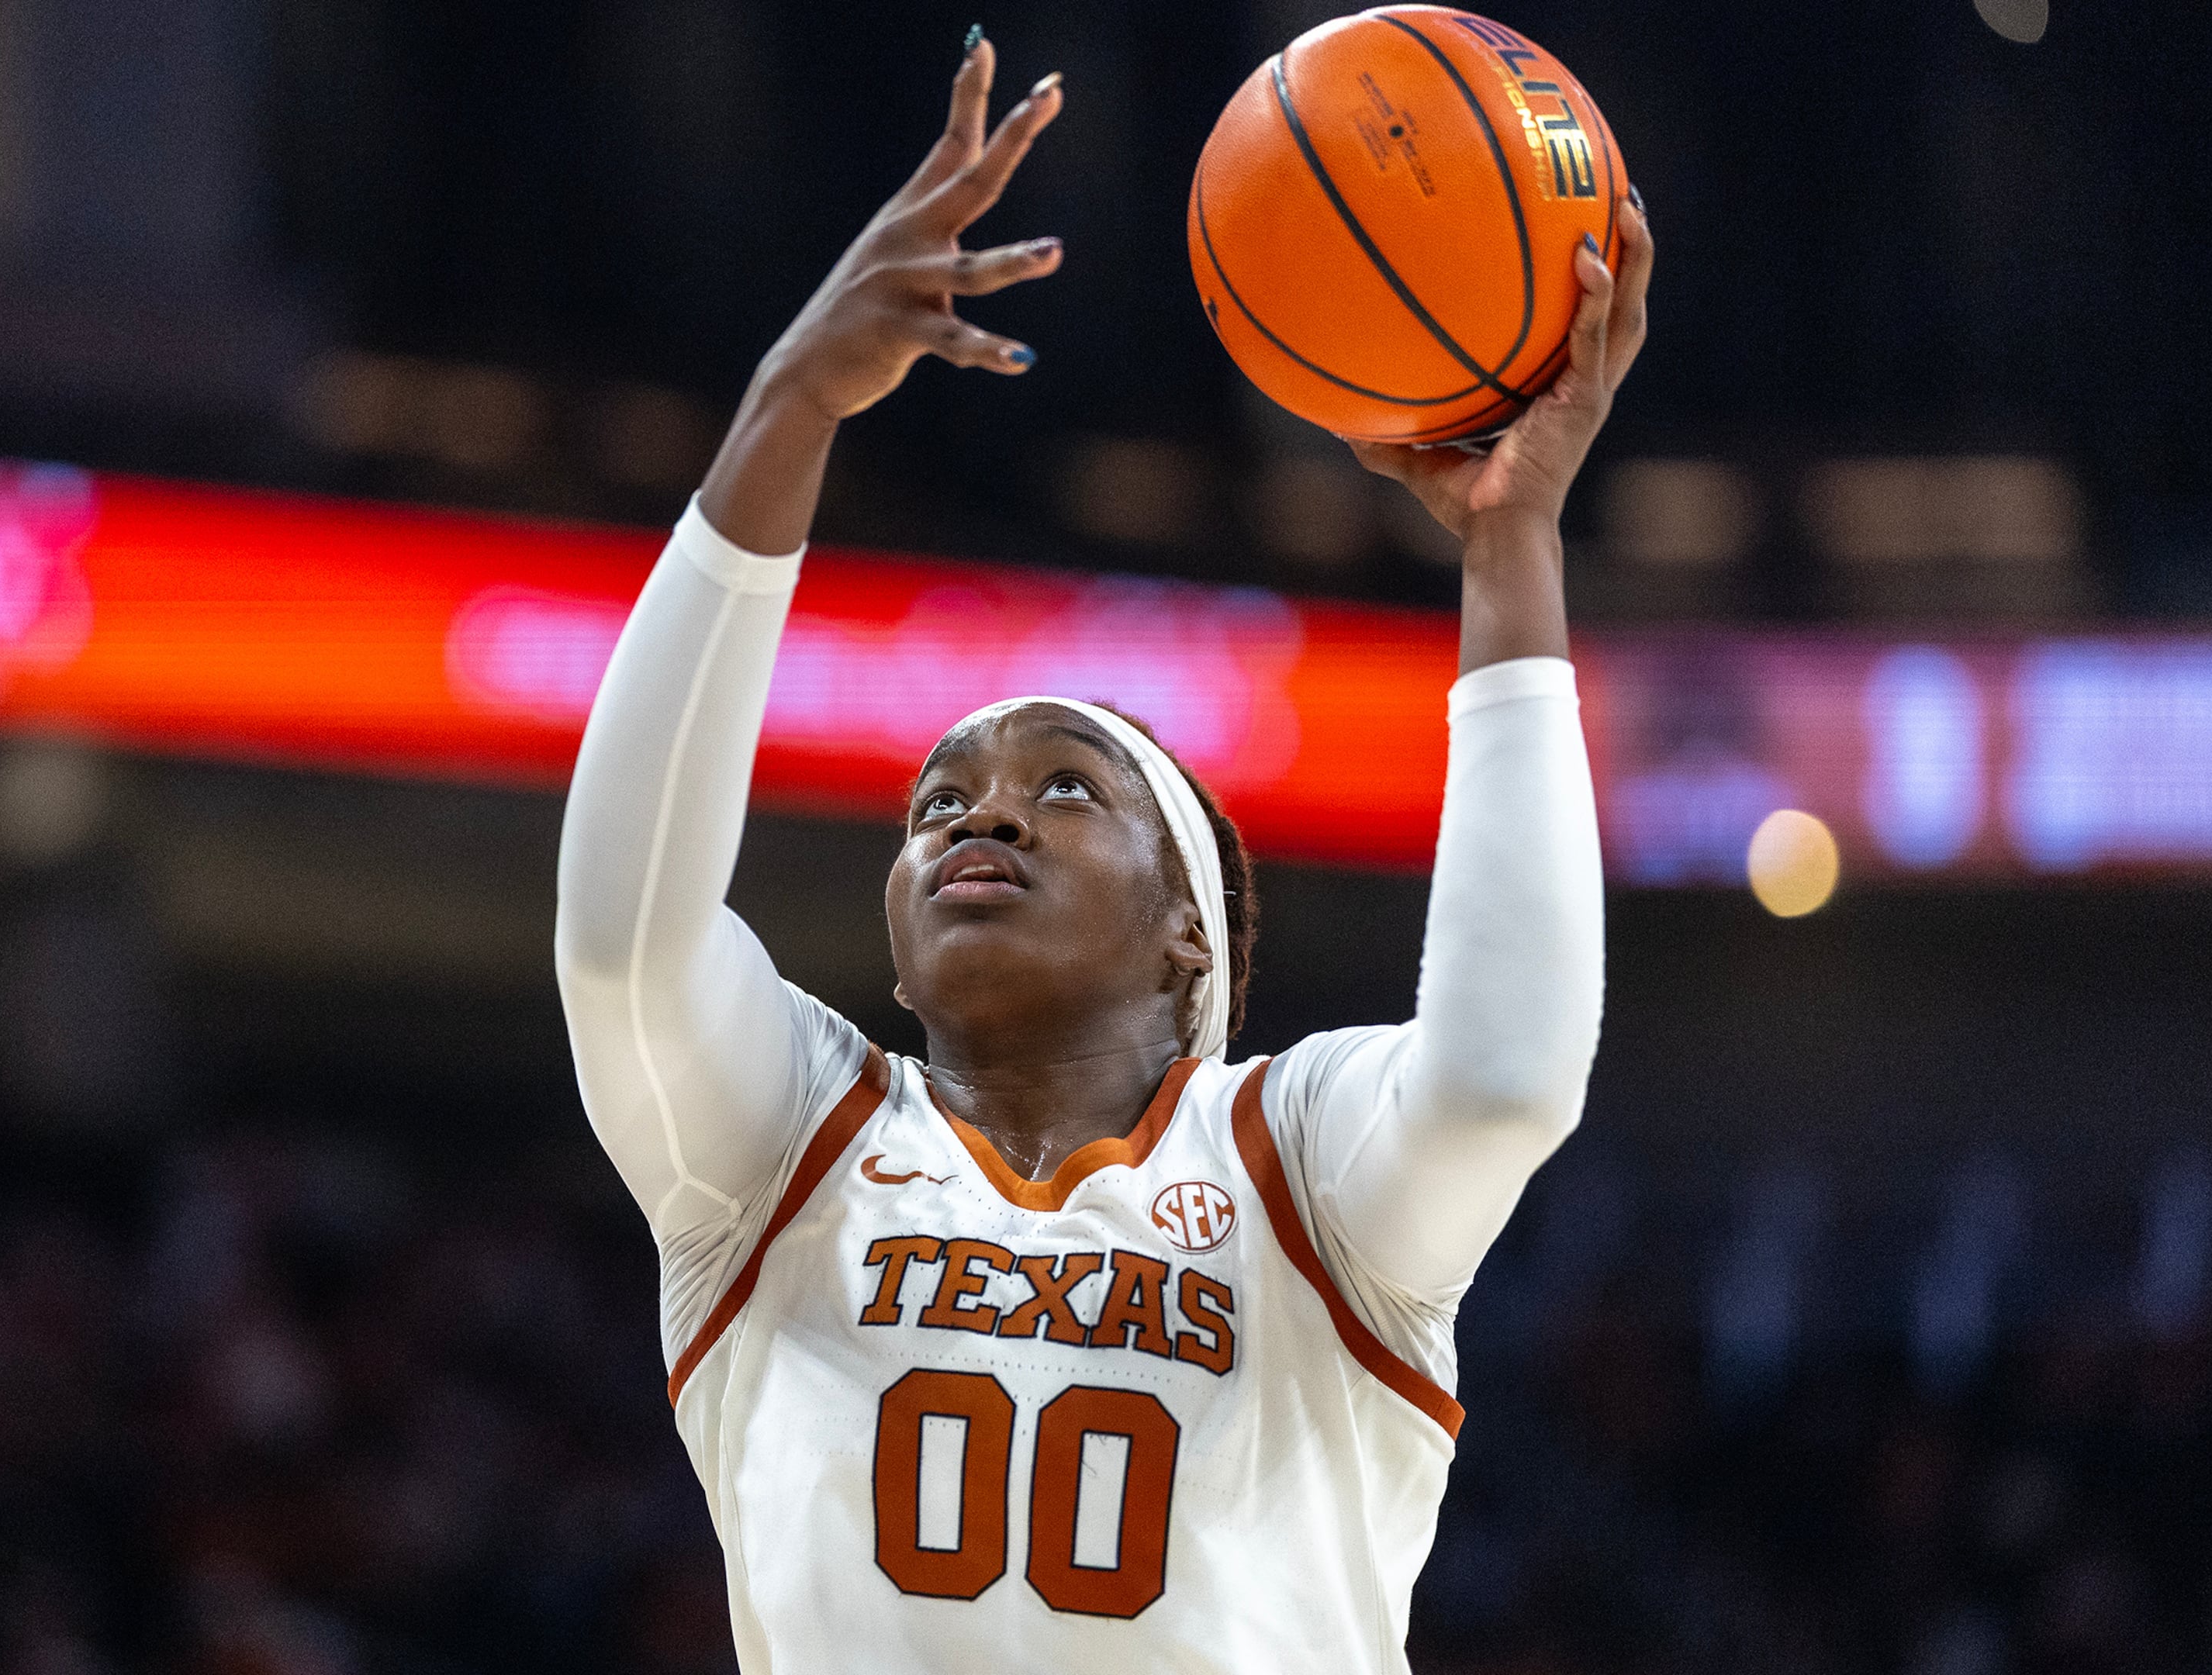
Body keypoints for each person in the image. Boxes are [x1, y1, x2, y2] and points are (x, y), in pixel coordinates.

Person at [555, 29, 1648, 1673]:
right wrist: (788, 409)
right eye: (937, 801)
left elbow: (1503, 1074)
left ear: (1186, 936)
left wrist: (1510, 548)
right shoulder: (786, 1148)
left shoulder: (1295, 1170)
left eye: (1064, 789)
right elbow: (624, 939)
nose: (975, 812)